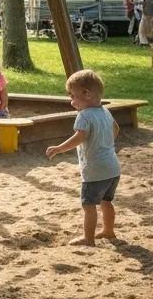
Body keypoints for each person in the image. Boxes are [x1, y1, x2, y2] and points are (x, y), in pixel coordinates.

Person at [45, 69, 120, 247]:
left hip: (95, 170)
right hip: (113, 168)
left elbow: (80, 137)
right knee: (106, 201)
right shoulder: (105, 112)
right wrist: (105, 143)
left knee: (88, 205)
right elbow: (116, 129)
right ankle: (109, 230)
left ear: (86, 94)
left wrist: (59, 149)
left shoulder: (84, 115)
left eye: (73, 96)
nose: (71, 102)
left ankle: (88, 238)